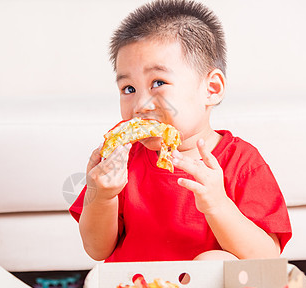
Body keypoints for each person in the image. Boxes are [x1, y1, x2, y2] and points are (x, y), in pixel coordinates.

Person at [69, 0, 292, 262]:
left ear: (212, 89)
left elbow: (266, 257)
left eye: (158, 82)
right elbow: (97, 250)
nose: (141, 105)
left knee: (215, 261)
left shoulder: (242, 162)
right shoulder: (122, 160)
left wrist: (218, 205)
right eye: (128, 89)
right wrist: (103, 196)